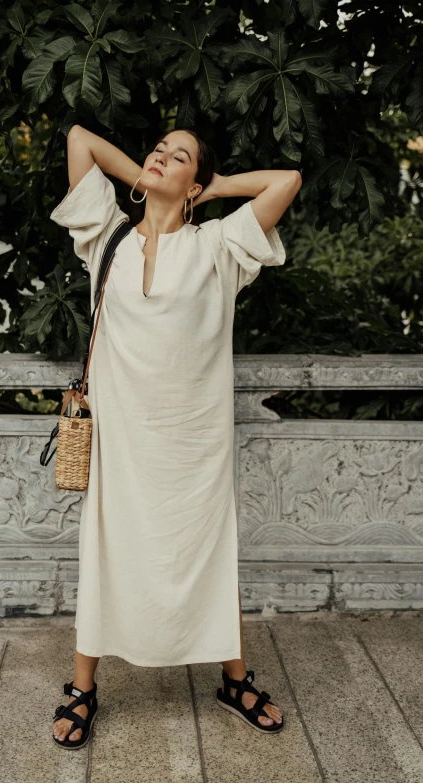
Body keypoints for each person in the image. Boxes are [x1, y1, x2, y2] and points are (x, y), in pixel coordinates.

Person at [50, 125, 301, 749]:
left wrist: (211, 191)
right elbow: (80, 139)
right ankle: (83, 688)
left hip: (195, 446)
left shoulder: (219, 245)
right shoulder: (106, 238)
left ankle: (234, 680)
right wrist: (150, 174)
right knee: (105, 555)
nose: (162, 157)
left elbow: (286, 181)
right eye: (158, 149)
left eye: (179, 155)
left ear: (195, 181)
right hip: (122, 443)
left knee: (210, 558)